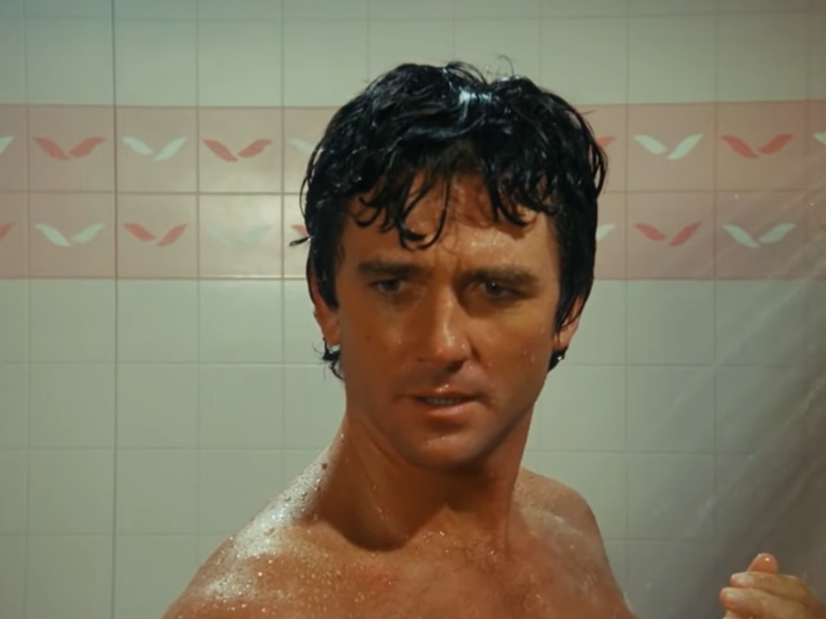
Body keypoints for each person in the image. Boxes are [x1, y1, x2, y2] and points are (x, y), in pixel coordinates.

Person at [163, 63, 825, 619]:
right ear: (325, 299)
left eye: (496, 289)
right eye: (393, 285)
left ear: (568, 309)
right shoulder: (254, 608)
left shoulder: (566, 525)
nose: (442, 343)